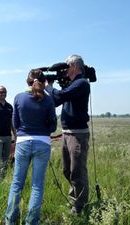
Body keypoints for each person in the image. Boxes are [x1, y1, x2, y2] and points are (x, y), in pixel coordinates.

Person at [5, 69, 57, 225]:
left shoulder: (19, 98)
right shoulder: (48, 100)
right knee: (37, 186)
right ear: (44, 82)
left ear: (27, 81)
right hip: (43, 143)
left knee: (17, 183)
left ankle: (10, 221)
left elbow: (15, 124)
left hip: (22, 142)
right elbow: (53, 126)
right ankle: (31, 222)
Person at [45, 54, 90, 214]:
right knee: (67, 170)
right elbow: (56, 100)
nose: (65, 70)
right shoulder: (71, 86)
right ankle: (75, 199)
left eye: (67, 66)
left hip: (78, 134)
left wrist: (49, 86)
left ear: (75, 67)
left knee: (78, 171)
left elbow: (60, 96)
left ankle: (79, 206)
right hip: (66, 133)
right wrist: (53, 87)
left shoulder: (81, 84)